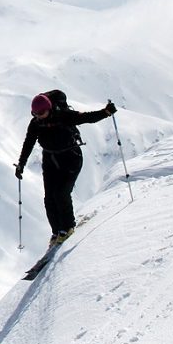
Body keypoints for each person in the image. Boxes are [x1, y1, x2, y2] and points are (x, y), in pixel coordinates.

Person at [15, 92, 117, 247]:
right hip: (50, 159)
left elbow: (87, 118)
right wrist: (21, 164)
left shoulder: (63, 115)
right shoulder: (36, 123)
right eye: (35, 114)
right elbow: (28, 143)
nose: (38, 116)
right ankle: (57, 231)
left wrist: (106, 112)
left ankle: (68, 227)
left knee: (61, 193)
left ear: (49, 108)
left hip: (71, 158)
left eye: (41, 113)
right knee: (49, 198)